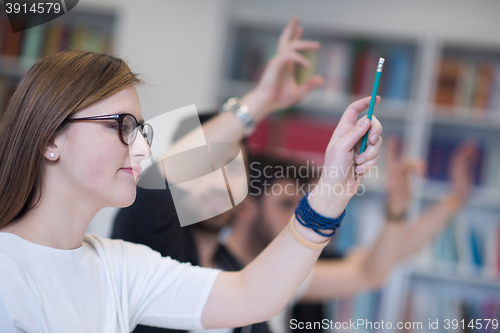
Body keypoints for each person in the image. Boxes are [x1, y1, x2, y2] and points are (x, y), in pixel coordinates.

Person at [0, 16, 384, 333]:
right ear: (50, 139)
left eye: (141, 131)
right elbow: (168, 175)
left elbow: (252, 296)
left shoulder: (118, 266)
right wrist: (260, 100)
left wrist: (335, 186)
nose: (141, 147)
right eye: (120, 125)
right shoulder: (8, 271)